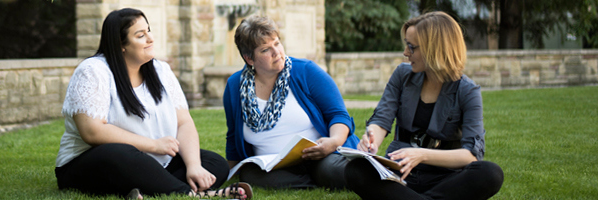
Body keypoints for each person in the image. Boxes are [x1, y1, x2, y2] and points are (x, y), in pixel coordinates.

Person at [54, 8, 251, 199]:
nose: (150, 39)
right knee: (120, 152)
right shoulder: (93, 71)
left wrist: (193, 166)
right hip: (93, 163)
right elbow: (92, 132)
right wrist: (154, 145)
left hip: (152, 161)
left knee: (214, 163)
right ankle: (194, 195)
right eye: (140, 35)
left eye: (148, 31)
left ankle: (144, 190)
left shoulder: (160, 70)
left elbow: (183, 122)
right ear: (120, 44)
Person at [344, 11, 504, 200]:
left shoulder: (467, 91)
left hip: (445, 178)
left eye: (412, 47)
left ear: (435, 49)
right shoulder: (402, 75)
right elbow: (382, 118)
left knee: (490, 173)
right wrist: (372, 140)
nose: (405, 53)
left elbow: (471, 155)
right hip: (400, 173)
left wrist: (422, 155)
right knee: (356, 169)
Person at [223, 15, 360, 189]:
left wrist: (334, 141)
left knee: (331, 170)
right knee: (250, 175)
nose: (277, 52)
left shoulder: (306, 71)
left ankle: (321, 176)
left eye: (277, 43)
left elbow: (338, 114)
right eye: (265, 50)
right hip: (274, 164)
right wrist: (231, 174)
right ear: (249, 58)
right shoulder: (235, 86)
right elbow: (233, 135)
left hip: (321, 155)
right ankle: (315, 181)